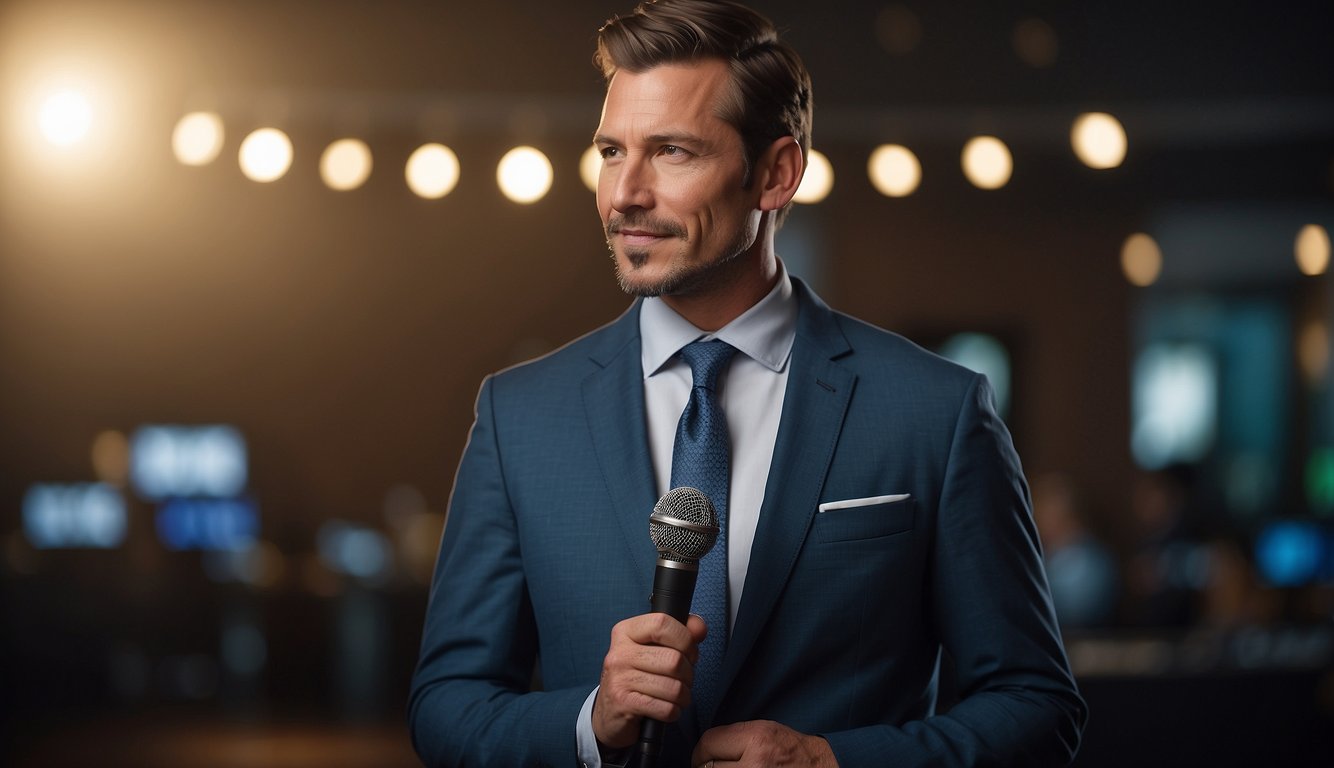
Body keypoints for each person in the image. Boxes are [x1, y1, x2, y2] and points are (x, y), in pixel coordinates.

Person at [409, 1, 1086, 766]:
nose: (624, 192)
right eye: (610, 151)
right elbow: (445, 707)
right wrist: (590, 723)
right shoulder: (519, 416)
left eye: (671, 152)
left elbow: (1038, 708)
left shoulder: (936, 411)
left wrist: (830, 762)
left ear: (775, 173)